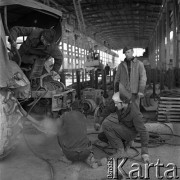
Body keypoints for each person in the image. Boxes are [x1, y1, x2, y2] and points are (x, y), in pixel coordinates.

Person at [94, 92, 150, 163]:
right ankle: (125, 143)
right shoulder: (119, 104)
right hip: (123, 128)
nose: (115, 105)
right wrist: (98, 123)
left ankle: (120, 151)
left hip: (130, 133)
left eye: (117, 103)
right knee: (102, 136)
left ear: (123, 102)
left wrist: (145, 153)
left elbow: (143, 131)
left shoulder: (135, 113)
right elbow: (107, 110)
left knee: (106, 125)